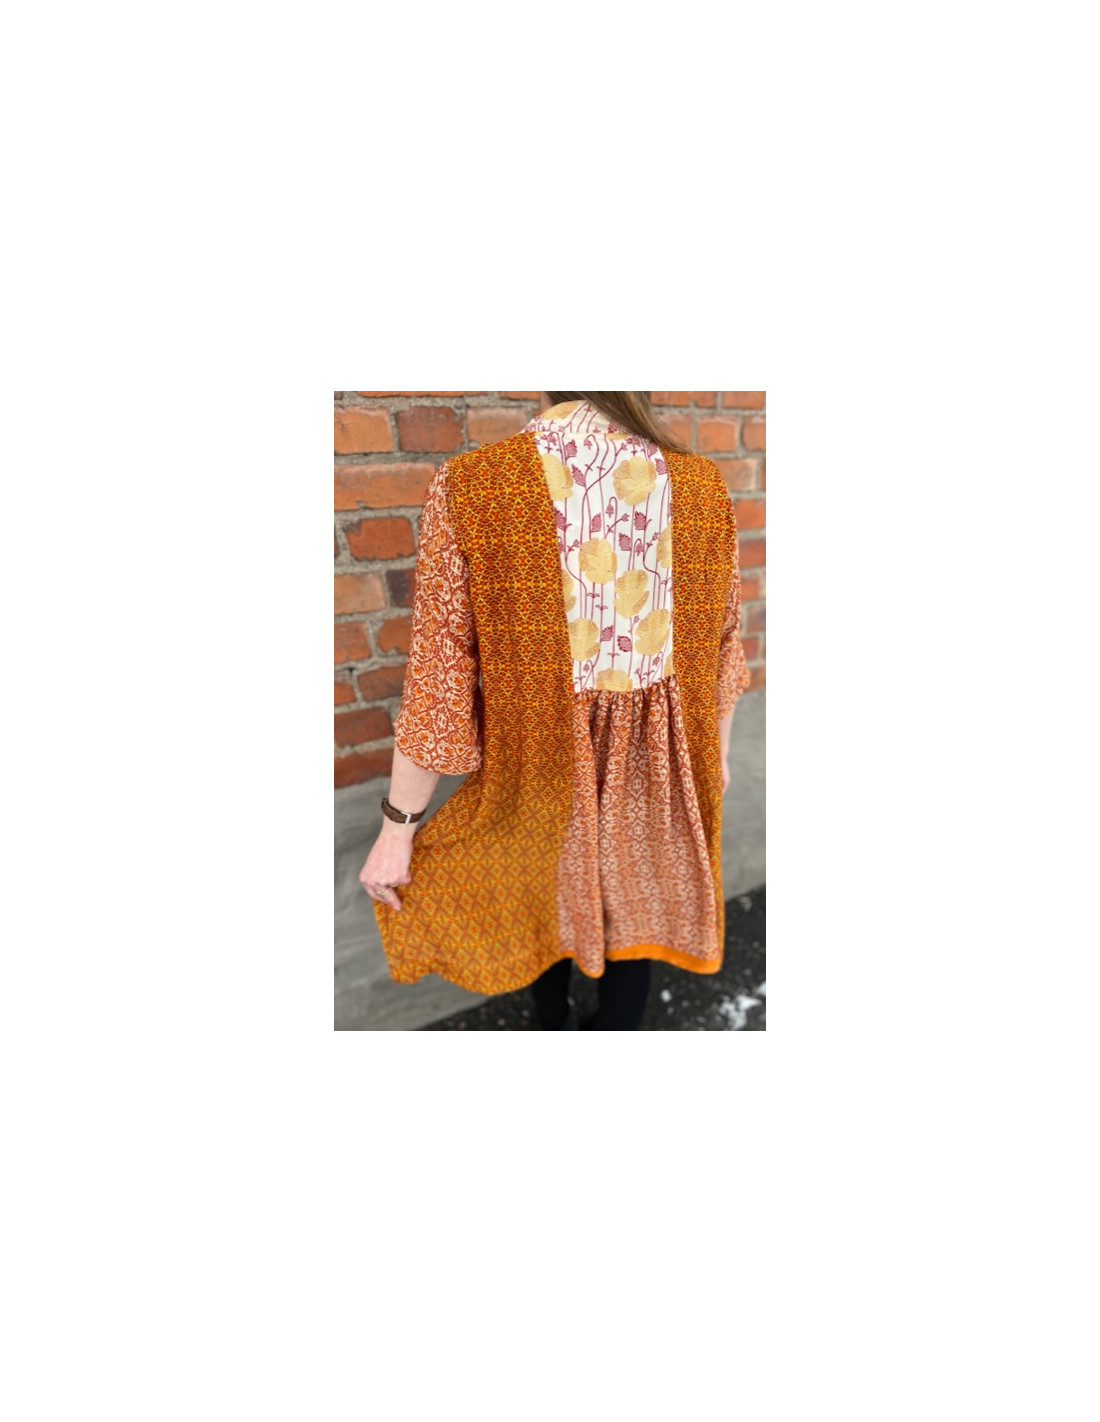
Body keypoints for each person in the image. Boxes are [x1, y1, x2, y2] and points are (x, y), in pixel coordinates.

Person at [360, 392, 751, 1030]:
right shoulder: (701, 485)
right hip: (659, 764)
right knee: (634, 907)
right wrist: (719, 754)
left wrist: (399, 828)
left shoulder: (475, 486)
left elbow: (439, 679)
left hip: (539, 768)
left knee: (540, 904)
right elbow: (722, 648)